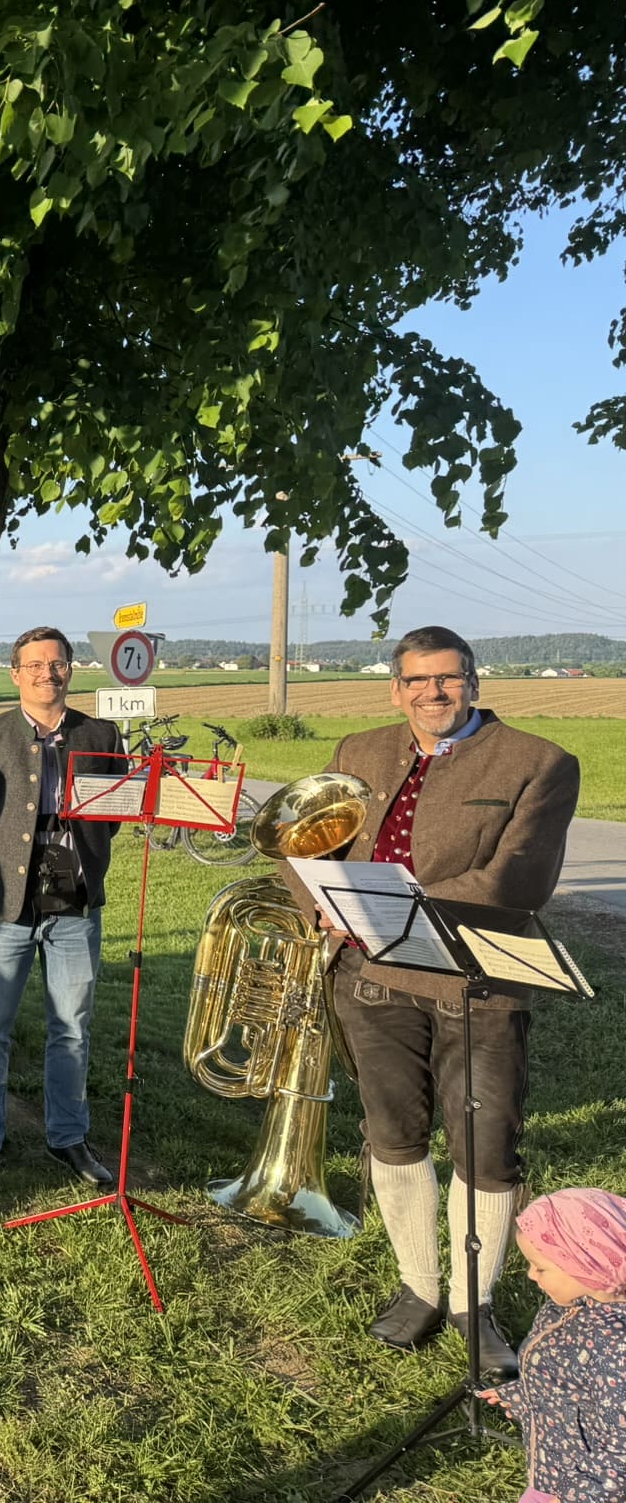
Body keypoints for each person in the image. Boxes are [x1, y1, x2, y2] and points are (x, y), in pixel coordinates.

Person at [284, 625, 578, 1376]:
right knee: (393, 1133)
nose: (432, 692)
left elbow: (515, 882)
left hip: (475, 985)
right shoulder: (358, 751)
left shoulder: (540, 762)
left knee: (487, 1148)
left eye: (447, 678)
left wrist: (379, 910)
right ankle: (419, 1287)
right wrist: (319, 900)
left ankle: (474, 1304)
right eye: (416, 680)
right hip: (369, 980)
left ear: (473, 682)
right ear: (395, 689)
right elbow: (303, 840)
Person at [0, 627, 124, 1188]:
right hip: (5, 906)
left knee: (71, 1028)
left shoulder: (101, 734)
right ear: (16, 673)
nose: (48, 673)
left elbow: (113, 816)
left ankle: (68, 1136)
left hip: (75, 904)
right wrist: (0, 868)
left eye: (58, 663)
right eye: (36, 664)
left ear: (70, 669)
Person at [481, 1188, 626, 1502]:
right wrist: (524, 1394)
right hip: (558, 1471)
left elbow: (622, 1451)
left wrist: (577, 1495)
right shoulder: (566, 1307)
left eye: (540, 1267)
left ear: (585, 1265)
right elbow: (568, 1379)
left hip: (586, 1488)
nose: (531, 1275)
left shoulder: (616, 1348)